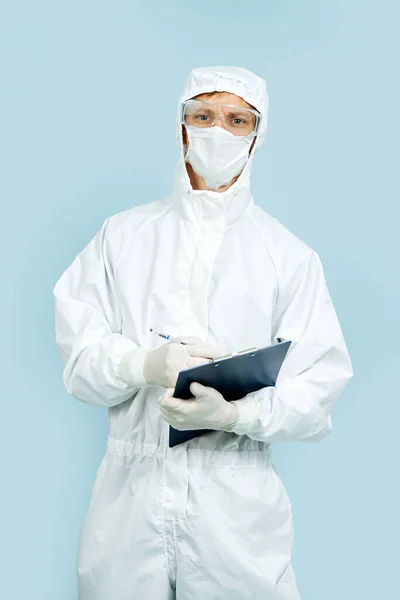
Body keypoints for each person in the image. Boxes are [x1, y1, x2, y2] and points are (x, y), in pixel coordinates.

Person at [53, 66, 353, 600]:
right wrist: (141, 365)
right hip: (129, 497)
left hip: (235, 506)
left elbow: (318, 385)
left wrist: (236, 415)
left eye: (238, 120)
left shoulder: (286, 256)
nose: (218, 132)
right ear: (181, 127)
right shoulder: (122, 237)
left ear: (257, 136)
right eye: (203, 116)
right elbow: (79, 360)